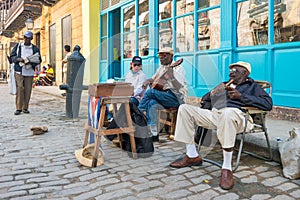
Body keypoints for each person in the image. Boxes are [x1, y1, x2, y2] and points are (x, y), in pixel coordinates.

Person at [169, 61, 273, 190]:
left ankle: (227, 168)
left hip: (239, 117)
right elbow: (204, 100)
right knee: (184, 108)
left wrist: (242, 97)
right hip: (215, 115)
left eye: (235, 70)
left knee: (228, 113)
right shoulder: (224, 84)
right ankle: (192, 155)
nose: (231, 73)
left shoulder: (252, 86)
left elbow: (268, 104)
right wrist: (213, 93)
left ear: (245, 73)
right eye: (230, 70)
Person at [138, 47, 187, 142]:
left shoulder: (178, 68)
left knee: (150, 92)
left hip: (176, 98)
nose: (161, 58)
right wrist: (147, 81)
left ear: (171, 56)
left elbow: (177, 87)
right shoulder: (162, 68)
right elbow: (154, 78)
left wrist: (172, 76)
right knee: (151, 102)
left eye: (164, 55)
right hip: (164, 97)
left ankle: (138, 114)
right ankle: (154, 134)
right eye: (160, 56)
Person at [10, 30, 42, 115]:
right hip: (19, 70)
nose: (27, 40)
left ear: (31, 38)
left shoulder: (35, 48)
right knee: (20, 88)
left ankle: (25, 107)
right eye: (26, 38)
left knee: (28, 90)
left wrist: (31, 61)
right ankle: (18, 108)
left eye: (29, 38)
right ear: (24, 38)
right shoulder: (18, 46)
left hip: (29, 71)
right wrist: (18, 59)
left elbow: (39, 60)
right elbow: (12, 56)